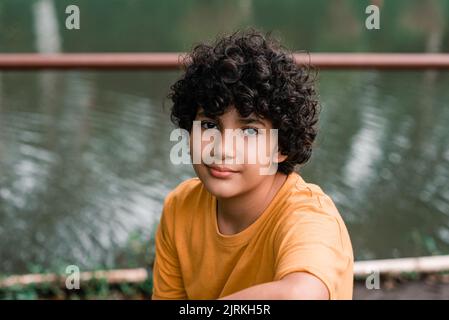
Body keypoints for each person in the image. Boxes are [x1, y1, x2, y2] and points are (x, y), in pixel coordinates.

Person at [152, 29, 353, 300]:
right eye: (210, 125)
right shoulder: (180, 208)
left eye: (249, 131)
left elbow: (301, 295)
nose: (223, 150)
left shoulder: (309, 216)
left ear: (281, 146)